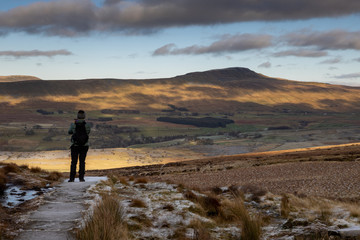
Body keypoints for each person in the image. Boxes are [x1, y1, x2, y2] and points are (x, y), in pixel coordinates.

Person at [68, 110, 91, 182]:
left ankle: (72, 178)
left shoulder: (73, 124)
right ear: (84, 116)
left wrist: (74, 125)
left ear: (77, 116)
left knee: (73, 162)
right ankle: (81, 178)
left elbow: (69, 132)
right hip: (84, 145)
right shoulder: (87, 125)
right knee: (82, 161)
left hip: (75, 145)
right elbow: (88, 132)